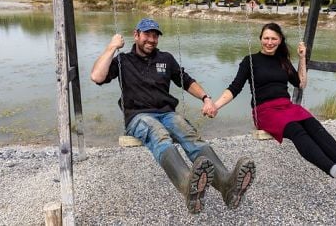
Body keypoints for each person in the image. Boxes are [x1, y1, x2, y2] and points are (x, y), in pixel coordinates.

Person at [90, 18, 256, 213]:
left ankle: (227, 184)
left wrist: (206, 98)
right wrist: (112, 46)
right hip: (138, 117)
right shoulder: (123, 61)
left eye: (155, 36)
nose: (151, 39)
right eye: (147, 35)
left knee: (188, 133)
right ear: (136, 35)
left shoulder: (166, 59)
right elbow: (97, 77)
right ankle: (187, 185)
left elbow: (186, 81)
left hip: (167, 113)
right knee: (158, 134)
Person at [207, 22, 336, 194]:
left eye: (273, 39)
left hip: (286, 106)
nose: (269, 42)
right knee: (296, 130)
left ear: (280, 40)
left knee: (315, 127)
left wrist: (302, 58)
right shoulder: (250, 61)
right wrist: (216, 105)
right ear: (260, 39)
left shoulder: (282, 61)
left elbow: (300, 83)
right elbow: (234, 88)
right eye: (266, 38)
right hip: (265, 110)